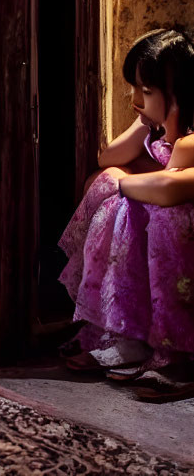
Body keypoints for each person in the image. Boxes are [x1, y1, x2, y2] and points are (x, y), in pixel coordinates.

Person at [59, 27, 194, 401]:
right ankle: (119, 333)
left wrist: (120, 182)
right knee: (107, 186)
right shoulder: (159, 130)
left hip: (179, 224)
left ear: (179, 95)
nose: (135, 99)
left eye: (146, 92)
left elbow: (169, 188)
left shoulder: (188, 140)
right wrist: (145, 118)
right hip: (164, 198)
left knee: (131, 199)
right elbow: (109, 157)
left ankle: (175, 356)